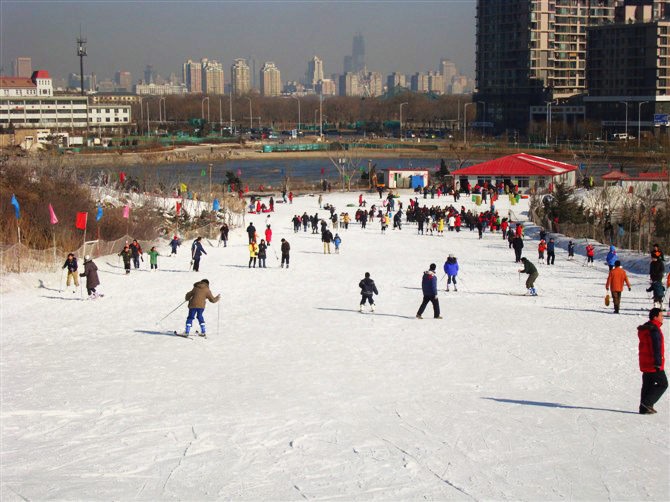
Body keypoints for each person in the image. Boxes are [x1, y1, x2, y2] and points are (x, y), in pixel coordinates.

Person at [637, 308, 667, 414]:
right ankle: (647, 402)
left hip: (645, 362)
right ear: (655, 317)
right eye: (661, 315)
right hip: (653, 363)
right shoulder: (654, 329)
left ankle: (643, 408)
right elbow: (656, 347)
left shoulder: (646, 328)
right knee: (663, 384)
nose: (662, 317)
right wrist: (658, 363)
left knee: (647, 385)